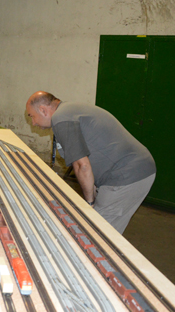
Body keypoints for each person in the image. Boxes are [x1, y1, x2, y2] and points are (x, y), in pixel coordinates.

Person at [26, 91, 156, 234]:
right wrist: (92, 198)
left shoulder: (61, 118)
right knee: (98, 228)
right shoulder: (69, 111)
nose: (33, 123)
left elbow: (82, 166)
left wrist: (89, 203)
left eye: (32, 116)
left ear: (43, 110)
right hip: (136, 169)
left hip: (126, 176)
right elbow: (90, 164)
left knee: (97, 235)